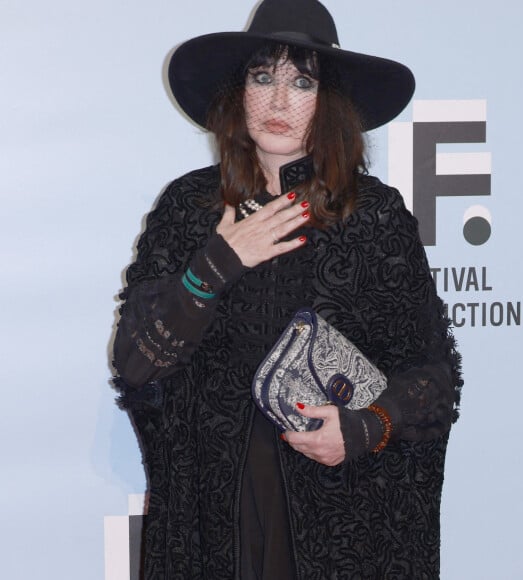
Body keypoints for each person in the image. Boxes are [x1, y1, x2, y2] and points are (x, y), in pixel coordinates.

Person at [112, 0, 462, 578]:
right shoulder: (187, 208)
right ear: (237, 91)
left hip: (344, 516)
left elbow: (435, 377)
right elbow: (135, 365)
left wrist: (368, 426)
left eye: (302, 81)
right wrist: (217, 265)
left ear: (328, 103)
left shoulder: (373, 215)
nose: (278, 101)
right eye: (263, 75)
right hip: (212, 520)